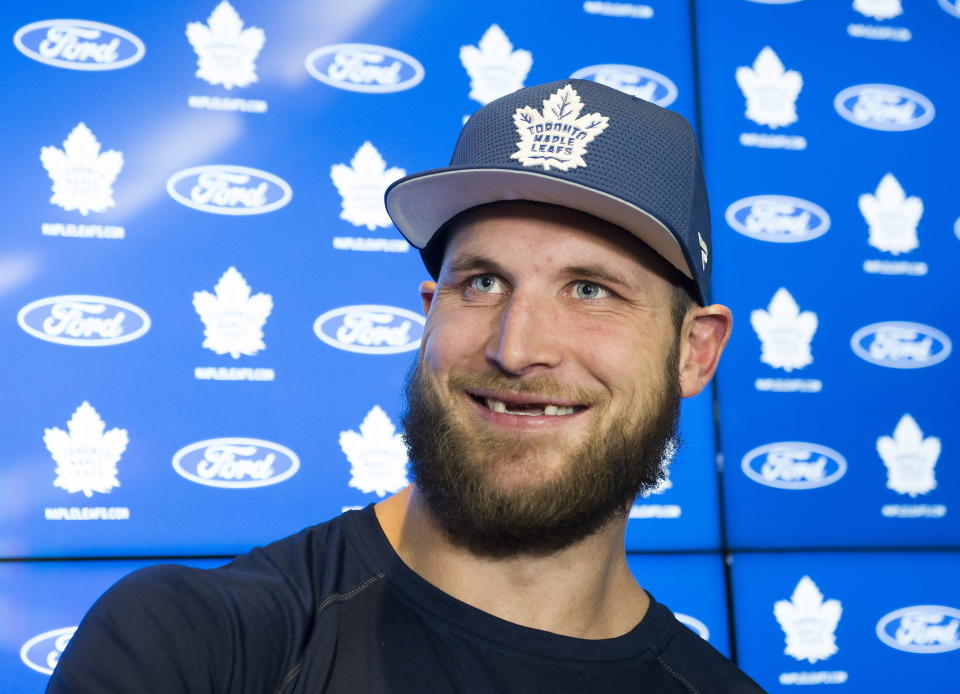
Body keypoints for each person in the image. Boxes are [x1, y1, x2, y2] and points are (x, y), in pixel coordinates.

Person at [47, 79, 763, 693]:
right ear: (430, 313)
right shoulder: (196, 648)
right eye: (481, 282)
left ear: (695, 352)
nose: (516, 348)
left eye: (590, 289)